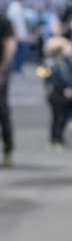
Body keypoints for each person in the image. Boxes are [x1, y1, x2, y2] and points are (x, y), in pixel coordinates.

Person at [42, 36, 72, 149]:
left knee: (60, 117)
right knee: (59, 117)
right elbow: (58, 79)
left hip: (54, 94)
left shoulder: (50, 62)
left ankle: (59, 138)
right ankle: (55, 139)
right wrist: (66, 89)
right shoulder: (56, 63)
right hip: (57, 94)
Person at [0, 12, 16, 166]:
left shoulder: (3, 19)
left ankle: (8, 150)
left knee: (2, 111)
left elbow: (10, 44)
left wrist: (3, 68)